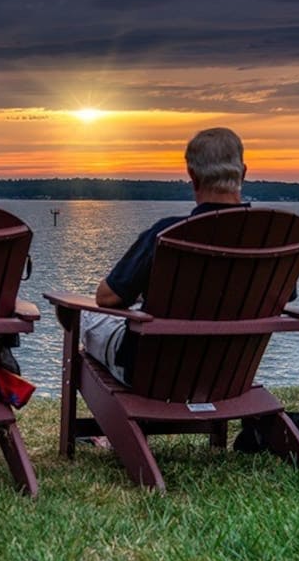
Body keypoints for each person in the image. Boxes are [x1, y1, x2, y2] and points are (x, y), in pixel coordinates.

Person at [82, 127, 251, 386]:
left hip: (151, 373)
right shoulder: (273, 236)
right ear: (244, 173)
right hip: (229, 375)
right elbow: (280, 299)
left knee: (82, 316)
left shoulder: (168, 234)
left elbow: (107, 297)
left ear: (192, 177)